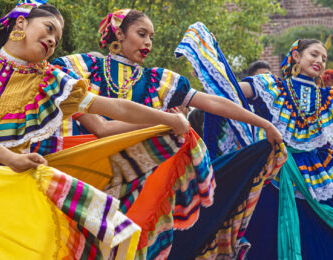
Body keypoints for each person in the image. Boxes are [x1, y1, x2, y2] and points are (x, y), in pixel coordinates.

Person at [0, 1, 196, 258]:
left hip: (4, 197)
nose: (53, 39)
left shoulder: (51, 84)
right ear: (20, 24)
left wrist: (166, 118)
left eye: (57, 37)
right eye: (49, 28)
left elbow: (113, 107)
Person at [52, 9, 284, 259]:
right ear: (119, 33)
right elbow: (97, 126)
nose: (148, 42)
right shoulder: (84, 67)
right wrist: (162, 121)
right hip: (87, 172)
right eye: (141, 34)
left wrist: (264, 124)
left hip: (137, 181)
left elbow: (214, 102)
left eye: (151, 36)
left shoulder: (156, 80)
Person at [177, 23, 332, 259]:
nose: (320, 60)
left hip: (316, 177)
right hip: (277, 170)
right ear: (296, 56)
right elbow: (233, 94)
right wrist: (213, 75)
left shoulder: (328, 98)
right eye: (314, 54)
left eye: (324, 57)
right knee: (266, 234)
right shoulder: (273, 86)